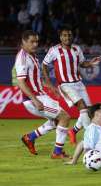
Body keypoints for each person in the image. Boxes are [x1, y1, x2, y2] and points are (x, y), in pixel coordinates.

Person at [42, 25, 101, 145]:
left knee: (89, 111)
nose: (67, 37)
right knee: (82, 106)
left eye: (69, 35)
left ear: (72, 36)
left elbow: (82, 63)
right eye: (64, 35)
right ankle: (91, 138)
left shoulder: (76, 49)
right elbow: (44, 64)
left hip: (79, 83)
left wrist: (90, 63)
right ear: (60, 37)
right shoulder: (54, 50)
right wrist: (48, 81)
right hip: (65, 85)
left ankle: (73, 131)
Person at [17, 30, 71, 159]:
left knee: (57, 120)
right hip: (34, 100)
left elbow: (34, 79)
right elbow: (21, 82)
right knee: (64, 117)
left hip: (41, 95)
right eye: (32, 41)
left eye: (36, 41)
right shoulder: (22, 58)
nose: (35, 44)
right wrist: (34, 100)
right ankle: (57, 153)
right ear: (24, 41)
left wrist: (50, 87)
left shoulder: (33, 56)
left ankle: (30, 137)